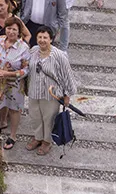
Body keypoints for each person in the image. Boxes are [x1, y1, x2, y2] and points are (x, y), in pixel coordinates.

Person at [26, 26, 77, 156]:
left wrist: (67, 95)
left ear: (51, 39)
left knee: (49, 118)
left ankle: (47, 141)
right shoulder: (33, 51)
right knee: (35, 116)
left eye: (45, 38)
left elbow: (67, 76)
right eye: (40, 37)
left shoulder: (59, 55)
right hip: (34, 91)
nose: (42, 40)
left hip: (51, 93)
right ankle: (38, 137)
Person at [0, 17, 30, 150]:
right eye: (9, 28)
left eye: (14, 29)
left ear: (19, 31)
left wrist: (9, 74)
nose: (11, 32)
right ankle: (2, 122)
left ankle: (13, 135)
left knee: (14, 109)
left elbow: (26, 69)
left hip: (15, 84)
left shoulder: (23, 47)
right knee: (2, 103)